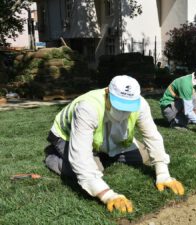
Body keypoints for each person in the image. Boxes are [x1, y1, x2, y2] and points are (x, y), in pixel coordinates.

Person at [44, 75, 184, 213]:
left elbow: (152, 136)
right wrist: (106, 195)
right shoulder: (88, 107)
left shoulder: (141, 104)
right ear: (107, 93)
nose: (123, 112)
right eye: (120, 105)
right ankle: (53, 156)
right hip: (67, 135)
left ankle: (100, 154)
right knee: (90, 170)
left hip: (106, 136)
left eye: (128, 107)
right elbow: (81, 156)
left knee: (143, 156)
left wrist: (163, 173)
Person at [160, 64, 196, 134]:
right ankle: (177, 123)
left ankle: (187, 120)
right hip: (169, 111)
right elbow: (188, 111)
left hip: (178, 107)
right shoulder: (185, 83)